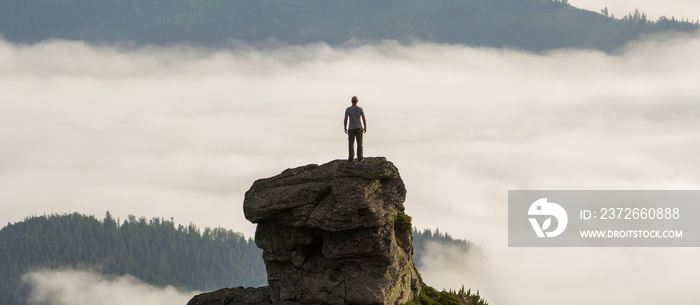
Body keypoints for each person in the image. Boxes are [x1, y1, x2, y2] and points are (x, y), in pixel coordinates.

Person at [344, 96, 366, 161]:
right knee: (359, 143)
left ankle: (351, 157)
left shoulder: (348, 109)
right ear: (357, 101)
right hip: (359, 127)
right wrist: (365, 126)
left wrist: (345, 127)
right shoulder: (360, 109)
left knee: (351, 143)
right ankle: (360, 157)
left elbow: (345, 119)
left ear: (351, 101)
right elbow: (363, 118)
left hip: (351, 128)